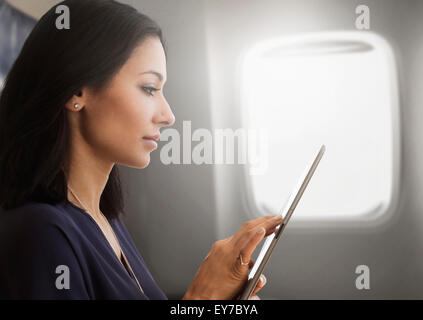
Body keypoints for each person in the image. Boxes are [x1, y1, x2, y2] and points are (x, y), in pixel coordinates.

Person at [0, 0, 283, 300]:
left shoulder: (106, 220)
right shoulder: (42, 233)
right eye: (149, 88)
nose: (168, 116)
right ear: (77, 92)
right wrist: (200, 300)